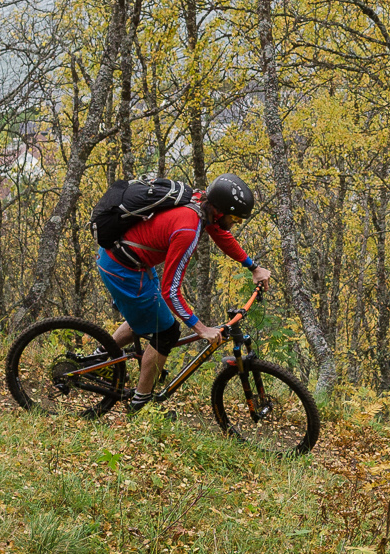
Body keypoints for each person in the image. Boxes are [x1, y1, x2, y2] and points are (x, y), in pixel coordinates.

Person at [94, 173, 273, 411]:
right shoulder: (188, 229)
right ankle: (141, 404)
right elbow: (171, 292)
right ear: (219, 212)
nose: (235, 223)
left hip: (128, 261)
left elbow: (221, 234)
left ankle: (98, 360)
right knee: (167, 333)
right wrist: (201, 329)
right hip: (123, 269)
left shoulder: (200, 202)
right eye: (234, 218)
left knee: (147, 316)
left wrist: (253, 267)